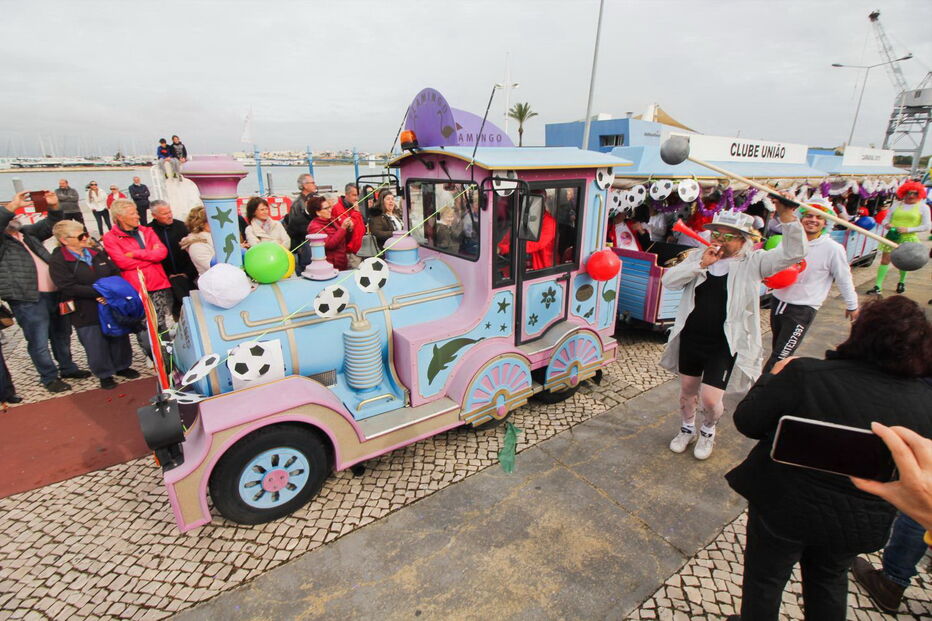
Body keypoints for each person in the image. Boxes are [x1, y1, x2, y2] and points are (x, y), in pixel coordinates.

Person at [724, 295, 932, 621]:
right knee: (829, 581)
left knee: (765, 581)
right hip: (858, 521)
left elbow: (748, 422)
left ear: (861, 333)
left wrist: (772, 376)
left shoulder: (807, 374)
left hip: (783, 506)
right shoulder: (925, 402)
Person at [661, 199, 805, 460]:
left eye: (729, 236)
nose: (720, 240)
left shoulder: (754, 262)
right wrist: (699, 265)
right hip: (692, 339)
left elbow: (794, 253)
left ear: (743, 240)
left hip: (724, 344)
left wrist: (788, 218)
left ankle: (708, 429)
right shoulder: (698, 256)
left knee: (711, 400)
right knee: (687, 393)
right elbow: (668, 281)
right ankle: (686, 428)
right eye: (716, 233)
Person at [0, 191, 90, 392]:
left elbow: (52, 224)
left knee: (62, 333)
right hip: (28, 298)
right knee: (38, 339)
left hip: (54, 292)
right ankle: (49, 377)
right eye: (12, 216)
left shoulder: (27, 234)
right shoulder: (3, 242)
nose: (16, 217)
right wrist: (12, 205)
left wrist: (54, 205)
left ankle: (68, 367)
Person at [762, 198, 858, 373]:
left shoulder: (833, 249)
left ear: (825, 222)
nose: (813, 220)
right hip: (778, 303)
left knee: (780, 357)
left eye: (819, 217)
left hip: (802, 310)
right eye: (808, 216)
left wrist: (852, 305)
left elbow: (844, 278)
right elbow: (772, 265)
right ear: (800, 218)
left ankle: (760, 392)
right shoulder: (789, 241)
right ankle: (774, 387)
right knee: (778, 349)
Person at [48, 220, 137, 390]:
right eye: (81, 236)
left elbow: (114, 271)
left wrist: (111, 292)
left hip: (109, 302)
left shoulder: (96, 252)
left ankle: (122, 366)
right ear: (65, 240)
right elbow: (67, 286)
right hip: (85, 308)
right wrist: (99, 292)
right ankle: (104, 374)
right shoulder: (58, 260)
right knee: (94, 341)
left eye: (85, 233)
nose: (85, 238)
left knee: (118, 335)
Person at [103, 199, 172, 332]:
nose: (138, 216)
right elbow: (122, 262)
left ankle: (166, 351)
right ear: (120, 217)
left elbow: (161, 253)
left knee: (161, 325)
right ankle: (150, 352)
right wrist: (150, 256)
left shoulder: (147, 231)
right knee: (144, 327)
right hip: (136, 287)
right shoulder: (110, 238)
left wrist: (135, 254)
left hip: (158, 283)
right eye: (132, 214)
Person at [867, 180, 930, 295]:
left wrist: (908, 229)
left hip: (909, 238)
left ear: (920, 194)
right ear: (903, 193)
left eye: (915, 193)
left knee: (905, 261)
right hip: (892, 236)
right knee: (885, 260)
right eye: (908, 193)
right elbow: (885, 218)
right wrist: (887, 224)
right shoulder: (896, 205)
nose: (911, 196)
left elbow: (927, 226)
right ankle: (878, 286)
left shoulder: (923, 207)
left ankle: (901, 282)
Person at [149, 200, 197, 317]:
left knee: (193, 306)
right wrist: (168, 274)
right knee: (173, 309)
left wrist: (187, 272)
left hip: (187, 275)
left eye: (170, 211)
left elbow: (193, 251)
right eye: (164, 214)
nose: (169, 215)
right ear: (154, 215)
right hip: (165, 278)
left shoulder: (181, 226)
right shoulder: (149, 231)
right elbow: (152, 256)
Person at [307, 195, 351, 270]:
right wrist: (343, 228)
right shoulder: (314, 227)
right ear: (318, 212)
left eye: (330, 207)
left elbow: (343, 239)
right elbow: (329, 245)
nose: (330, 210)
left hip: (341, 262)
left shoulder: (331, 220)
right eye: (326, 208)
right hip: (330, 266)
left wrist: (349, 228)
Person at [285, 174, 318, 268]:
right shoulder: (297, 204)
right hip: (302, 244)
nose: (315, 185)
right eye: (312, 183)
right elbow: (292, 227)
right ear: (305, 185)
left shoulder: (315, 199)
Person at [332, 183, 365, 268]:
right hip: (350, 252)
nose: (357, 198)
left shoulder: (353, 207)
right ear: (346, 194)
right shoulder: (338, 208)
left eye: (358, 195)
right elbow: (349, 226)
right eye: (354, 195)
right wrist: (356, 212)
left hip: (359, 249)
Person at [179, 206, 214, 276]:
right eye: (212, 219)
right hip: (213, 281)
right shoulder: (196, 245)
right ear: (202, 223)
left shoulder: (213, 237)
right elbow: (211, 266)